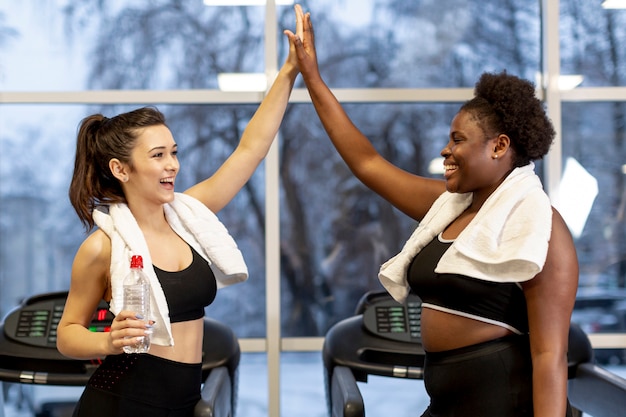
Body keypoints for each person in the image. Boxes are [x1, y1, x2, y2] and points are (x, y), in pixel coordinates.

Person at [286, 5, 578, 417]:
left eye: (458, 139)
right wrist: (312, 77)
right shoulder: (450, 208)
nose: (445, 150)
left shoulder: (542, 229)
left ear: (499, 146)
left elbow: (550, 357)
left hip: (503, 403)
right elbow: (367, 163)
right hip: (445, 401)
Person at [56, 10, 303, 417]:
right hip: (123, 403)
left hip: (183, 401)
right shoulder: (102, 247)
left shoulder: (188, 217)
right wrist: (106, 342)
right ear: (121, 169)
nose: (172, 164)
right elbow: (67, 334)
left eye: (174, 152)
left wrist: (289, 71)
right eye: (158, 156)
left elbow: (250, 149)